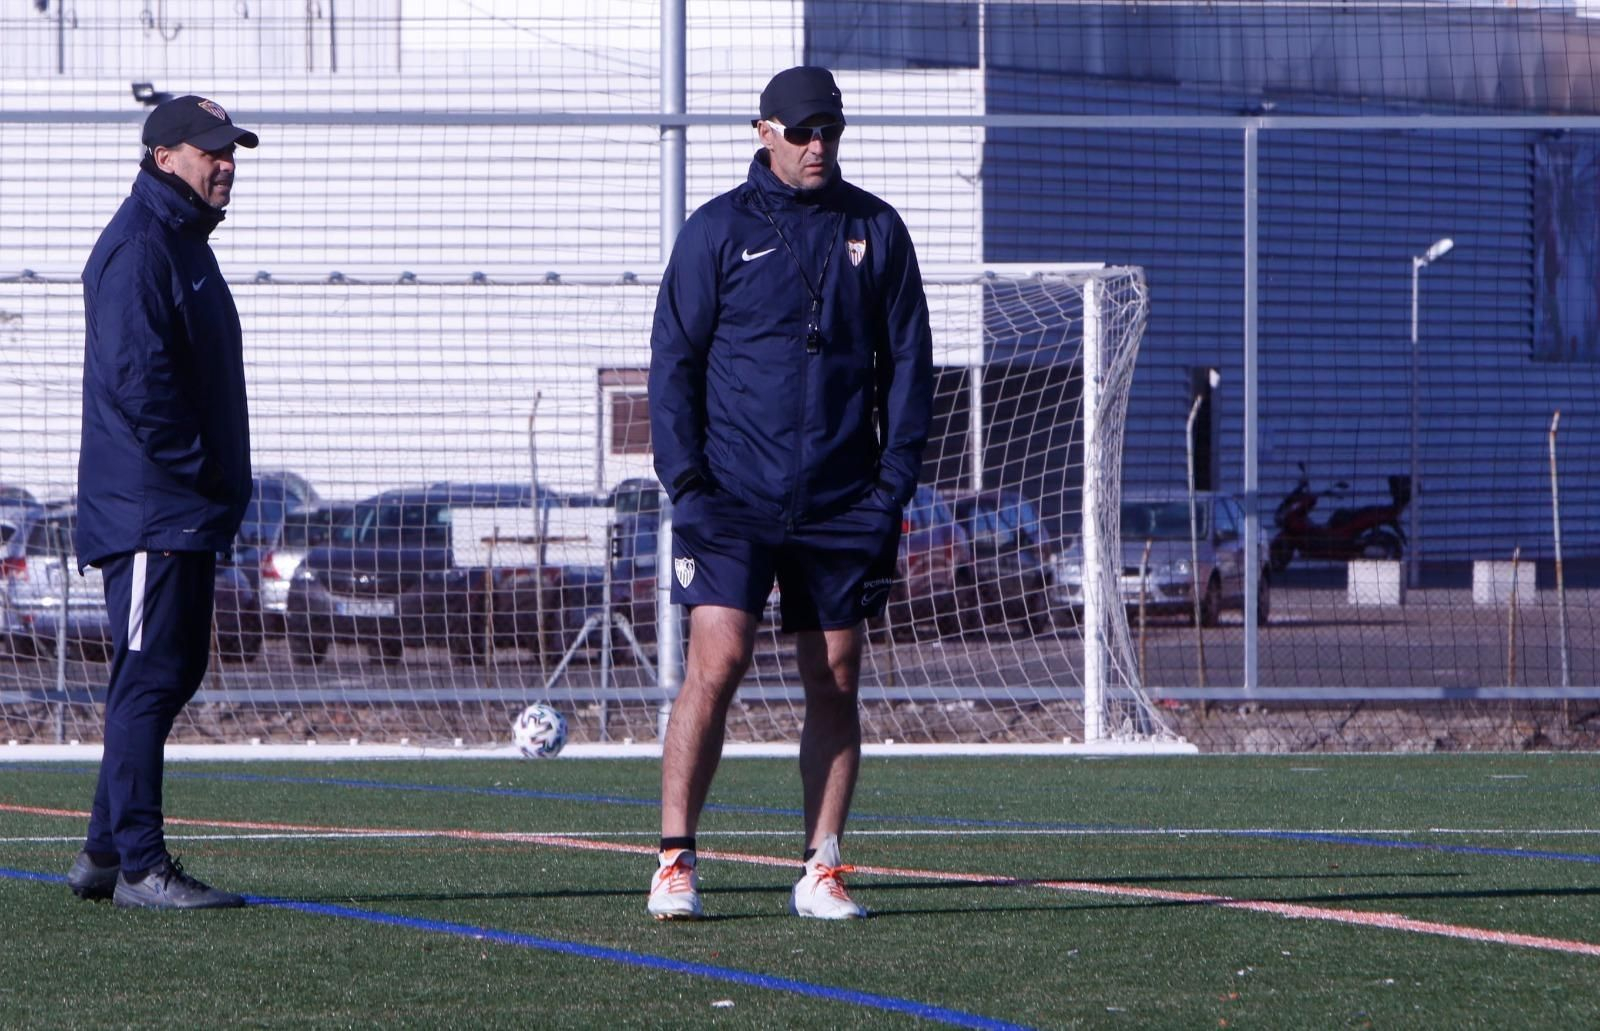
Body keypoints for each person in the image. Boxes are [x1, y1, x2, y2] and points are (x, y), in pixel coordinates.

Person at [647, 66, 933, 920]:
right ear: (763, 130)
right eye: (804, 132)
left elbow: (911, 369)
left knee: (835, 677)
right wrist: (687, 481)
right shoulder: (715, 232)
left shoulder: (876, 229)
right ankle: (674, 859)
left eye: (831, 133)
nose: (819, 147)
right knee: (718, 660)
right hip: (730, 495)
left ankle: (822, 866)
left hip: (844, 501)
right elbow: (674, 363)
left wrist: (891, 487)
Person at [65, 95, 258, 910]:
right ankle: (141, 865)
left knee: (168, 671)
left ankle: (105, 853)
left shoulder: (181, 242)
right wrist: (203, 475)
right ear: (163, 157)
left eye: (230, 151)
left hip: (178, 508)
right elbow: (140, 389)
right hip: (152, 509)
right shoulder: (142, 248)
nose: (227, 164)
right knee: (149, 676)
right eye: (210, 150)